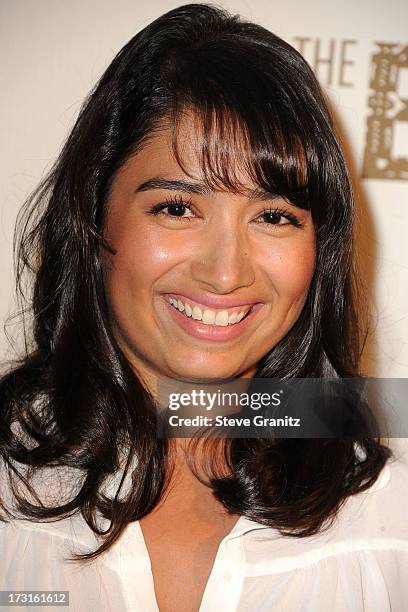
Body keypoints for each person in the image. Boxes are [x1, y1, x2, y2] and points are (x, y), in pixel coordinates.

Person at [0, 3, 407, 611]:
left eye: (274, 217)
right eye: (177, 208)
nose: (225, 272)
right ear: (92, 219)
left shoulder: (388, 510)